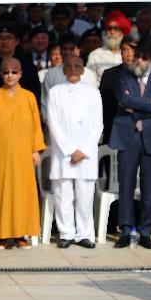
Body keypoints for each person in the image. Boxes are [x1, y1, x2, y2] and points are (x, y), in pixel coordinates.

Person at [0, 57, 46, 249]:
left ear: (20, 74)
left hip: (23, 153)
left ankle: (21, 234)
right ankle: (1, 235)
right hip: (1, 153)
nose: (10, 75)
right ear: (1, 74)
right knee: (0, 192)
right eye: (6, 72)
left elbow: (35, 126)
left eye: (14, 72)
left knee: (23, 193)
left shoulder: (29, 97)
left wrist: (36, 150)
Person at [109, 45, 151, 249]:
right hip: (128, 136)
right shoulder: (124, 77)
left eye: (143, 57)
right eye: (136, 57)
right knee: (125, 185)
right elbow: (124, 99)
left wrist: (135, 105)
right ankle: (125, 230)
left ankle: (145, 232)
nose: (138, 61)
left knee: (148, 187)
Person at [46, 56, 103, 248]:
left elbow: (98, 125)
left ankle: (83, 233)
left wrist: (83, 150)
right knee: (63, 194)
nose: (72, 69)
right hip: (63, 153)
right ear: (63, 70)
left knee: (85, 196)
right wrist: (70, 150)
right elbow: (53, 123)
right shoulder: (55, 92)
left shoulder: (93, 92)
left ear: (82, 70)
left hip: (86, 154)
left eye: (77, 66)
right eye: (68, 66)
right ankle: (66, 233)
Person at [99, 42, 137, 144]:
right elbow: (102, 106)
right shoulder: (108, 75)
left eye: (133, 50)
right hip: (113, 131)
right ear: (121, 52)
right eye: (125, 50)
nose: (129, 54)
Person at [86, 11, 131, 82]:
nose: (112, 32)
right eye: (109, 28)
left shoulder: (129, 54)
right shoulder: (95, 55)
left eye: (116, 29)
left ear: (122, 32)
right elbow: (89, 81)